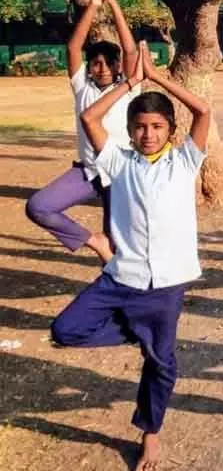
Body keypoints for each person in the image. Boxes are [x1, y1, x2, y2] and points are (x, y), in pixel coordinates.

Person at [51, 41, 212, 470]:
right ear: (130, 130)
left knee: (161, 364)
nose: (148, 134)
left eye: (157, 126)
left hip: (166, 285)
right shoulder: (117, 162)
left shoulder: (184, 163)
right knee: (66, 330)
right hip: (120, 277)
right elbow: (89, 117)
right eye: (140, 126)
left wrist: (158, 78)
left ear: (169, 130)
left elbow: (203, 113)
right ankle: (137, 332)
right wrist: (129, 83)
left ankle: (150, 434)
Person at [25, 0, 138, 263]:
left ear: (117, 67)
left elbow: (129, 49)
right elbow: (73, 48)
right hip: (87, 172)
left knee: (118, 249)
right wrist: (92, 6)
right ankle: (93, 241)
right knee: (39, 206)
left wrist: (112, 4)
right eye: (95, 63)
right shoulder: (82, 88)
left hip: (119, 174)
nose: (100, 68)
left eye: (107, 63)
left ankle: (117, 296)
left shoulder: (129, 88)